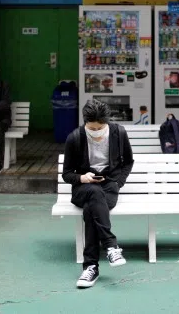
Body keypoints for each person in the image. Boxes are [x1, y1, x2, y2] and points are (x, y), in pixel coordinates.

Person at [62, 99, 134, 288]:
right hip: (83, 188)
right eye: (91, 128)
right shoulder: (75, 137)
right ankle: (111, 245)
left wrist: (118, 182)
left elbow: (128, 162)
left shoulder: (118, 133)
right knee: (93, 192)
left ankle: (90, 267)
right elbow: (67, 174)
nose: (96, 132)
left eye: (99, 128)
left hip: (109, 186)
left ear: (106, 122)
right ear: (85, 123)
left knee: (91, 210)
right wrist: (82, 178)